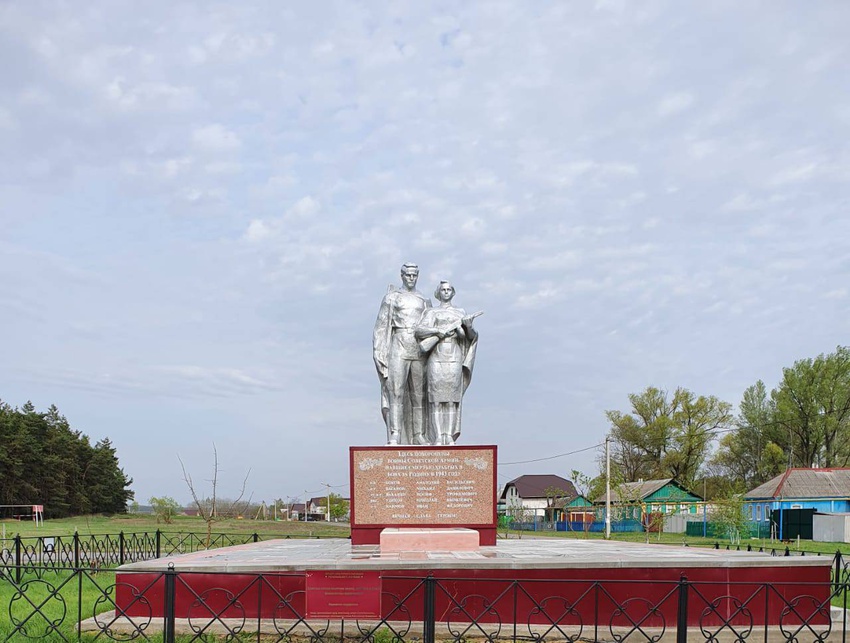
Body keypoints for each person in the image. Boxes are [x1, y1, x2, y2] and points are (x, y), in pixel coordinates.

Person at [415, 281, 480, 445]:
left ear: (453, 292)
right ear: (438, 292)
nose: (446, 292)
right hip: (436, 356)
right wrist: (438, 331)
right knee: (436, 400)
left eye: (449, 289)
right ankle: (438, 436)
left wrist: (467, 327)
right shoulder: (432, 312)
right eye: (443, 289)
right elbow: (419, 330)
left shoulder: (460, 312)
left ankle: (448, 436)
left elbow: (469, 337)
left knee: (452, 400)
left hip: (454, 356)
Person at [372, 263, 432, 445]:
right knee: (396, 392)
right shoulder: (392, 298)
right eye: (408, 275)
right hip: (398, 345)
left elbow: (431, 326)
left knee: (418, 395)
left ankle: (418, 434)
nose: (411, 278)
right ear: (402, 275)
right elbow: (381, 328)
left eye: (414, 275)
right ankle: (395, 433)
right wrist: (379, 353)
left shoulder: (424, 300)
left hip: (418, 348)